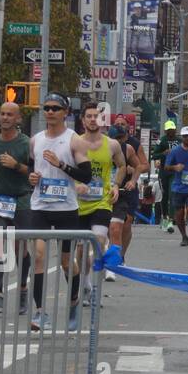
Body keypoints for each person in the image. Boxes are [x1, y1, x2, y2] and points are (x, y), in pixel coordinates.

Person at [24, 92, 93, 332]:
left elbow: (86, 175)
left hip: (66, 208)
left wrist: (61, 165)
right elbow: (31, 169)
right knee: (39, 256)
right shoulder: (35, 140)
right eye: (47, 108)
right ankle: (40, 312)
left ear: (65, 112)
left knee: (66, 262)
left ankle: (74, 302)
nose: (50, 112)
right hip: (40, 206)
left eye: (55, 108)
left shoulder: (74, 140)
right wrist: (31, 177)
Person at [0, 100, 32, 314]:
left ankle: (22, 290)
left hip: (21, 200)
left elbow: (34, 173)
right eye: (2, 114)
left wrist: (17, 166)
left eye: (10, 114)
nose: (5, 118)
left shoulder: (26, 143)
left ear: (18, 119)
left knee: (20, 249)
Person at [75, 100, 126, 306]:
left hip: (102, 202)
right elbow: (65, 168)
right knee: (80, 248)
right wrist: (74, 184)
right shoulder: (74, 142)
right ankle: (85, 284)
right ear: (83, 120)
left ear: (101, 119)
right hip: (78, 204)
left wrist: (115, 185)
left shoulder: (112, 144)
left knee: (98, 241)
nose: (93, 119)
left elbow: (122, 166)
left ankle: (96, 287)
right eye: (89, 116)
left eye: (96, 116)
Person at [106, 122, 146, 279]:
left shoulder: (128, 148)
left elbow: (141, 166)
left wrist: (133, 180)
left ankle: (116, 260)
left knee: (121, 227)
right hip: (102, 194)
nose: (118, 142)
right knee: (104, 231)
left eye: (121, 138)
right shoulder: (100, 148)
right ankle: (108, 256)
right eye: (115, 138)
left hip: (123, 192)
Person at [164, 125, 188, 247]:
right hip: (178, 186)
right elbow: (166, 166)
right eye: (185, 136)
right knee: (178, 214)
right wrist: (175, 167)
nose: (187, 139)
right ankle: (184, 236)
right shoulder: (175, 151)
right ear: (182, 137)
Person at [151, 120, 178, 229]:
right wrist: (163, 153)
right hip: (163, 172)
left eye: (172, 129)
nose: (171, 132)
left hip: (174, 171)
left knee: (172, 194)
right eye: (169, 130)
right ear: (166, 131)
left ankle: (171, 219)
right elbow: (154, 155)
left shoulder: (179, 141)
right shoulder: (161, 141)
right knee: (165, 195)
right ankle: (165, 217)